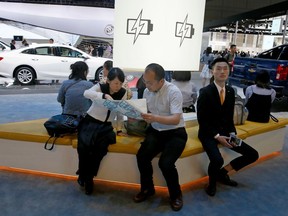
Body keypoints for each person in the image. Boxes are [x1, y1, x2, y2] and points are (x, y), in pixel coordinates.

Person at [197, 57, 259, 197]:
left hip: (227, 133)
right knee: (217, 159)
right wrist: (217, 137)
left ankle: (222, 173)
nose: (222, 71)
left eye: (225, 68)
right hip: (209, 134)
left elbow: (229, 117)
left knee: (252, 154)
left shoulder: (231, 91)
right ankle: (211, 183)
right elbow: (203, 120)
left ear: (229, 71)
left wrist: (232, 133)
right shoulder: (205, 92)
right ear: (212, 71)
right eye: (218, 68)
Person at [133, 63, 187, 211]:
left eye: (150, 82)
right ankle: (147, 189)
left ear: (161, 81)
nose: (146, 85)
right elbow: (147, 113)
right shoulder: (146, 91)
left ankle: (176, 195)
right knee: (142, 156)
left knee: (166, 163)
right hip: (156, 131)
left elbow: (176, 119)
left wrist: (155, 118)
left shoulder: (173, 91)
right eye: (145, 81)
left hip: (175, 132)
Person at [77, 67, 127, 195]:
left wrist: (119, 129)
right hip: (90, 121)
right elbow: (86, 93)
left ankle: (88, 177)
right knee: (84, 146)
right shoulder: (100, 87)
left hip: (106, 126)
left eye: (121, 83)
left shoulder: (123, 92)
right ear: (109, 81)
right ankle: (83, 174)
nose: (118, 86)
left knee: (100, 149)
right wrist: (103, 95)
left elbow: (120, 112)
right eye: (116, 83)